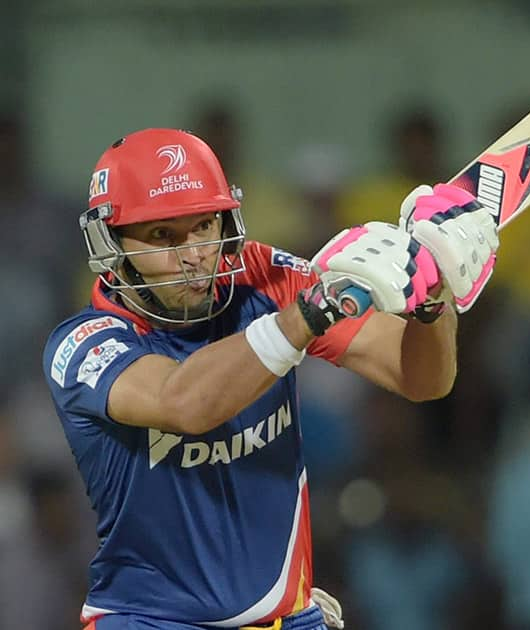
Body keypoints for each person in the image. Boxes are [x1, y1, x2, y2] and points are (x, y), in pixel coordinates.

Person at [42, 128, 499, 629]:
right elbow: (185, 403)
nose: (192, 254)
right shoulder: (85, 342)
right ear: (112, 243)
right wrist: (311, 312)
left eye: (203, 226)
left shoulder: (262, 276)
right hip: (149, 620)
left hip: (287, 618)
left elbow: (419, 378)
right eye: (162, 235)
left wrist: (434, 299)